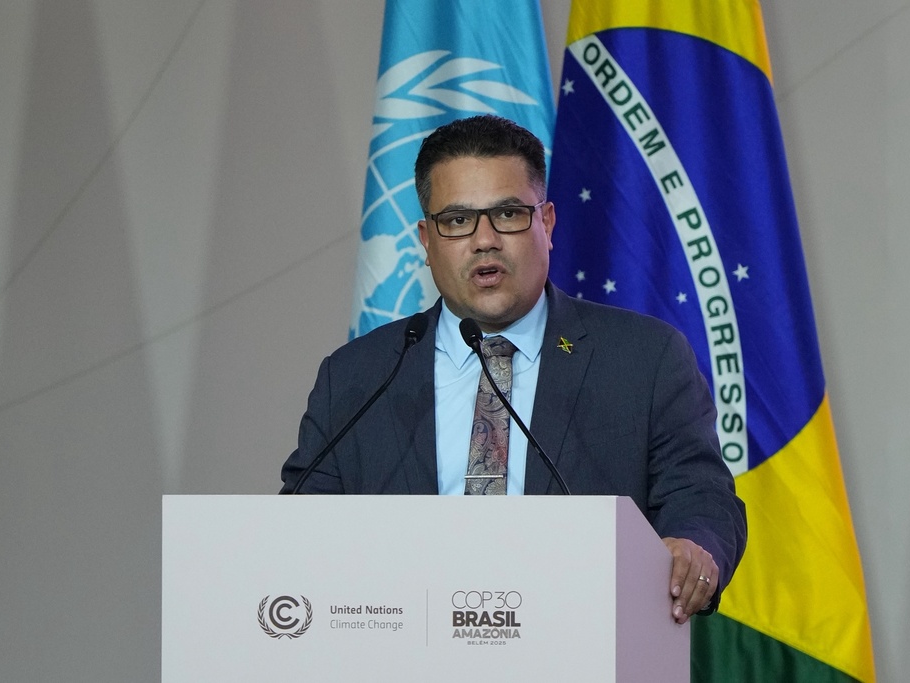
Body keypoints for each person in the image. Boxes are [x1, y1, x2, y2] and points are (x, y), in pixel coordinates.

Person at [280, 115, 746, 623]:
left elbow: (701, 495)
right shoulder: (357, 377)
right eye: (457, 220)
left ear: (546, 222)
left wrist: (695, 546)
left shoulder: (643, 358)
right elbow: (298, 527)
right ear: (426, 238)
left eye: (506, 214)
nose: (484, 240)